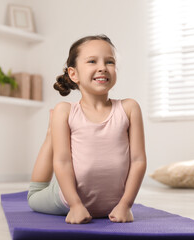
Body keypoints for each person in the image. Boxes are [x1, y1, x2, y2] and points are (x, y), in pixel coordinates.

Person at [28, 35, 147, 224]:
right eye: (92, 61)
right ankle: (52, 133)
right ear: (73, 74)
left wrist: (125, 204)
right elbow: (62, 161)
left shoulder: (129, 108)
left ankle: (55, 131)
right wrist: (75, 205)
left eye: (109, 62)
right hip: (67, 195)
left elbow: (138, 160)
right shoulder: (64, 111)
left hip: (112, 203)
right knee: (33, 197)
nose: (102, 67)